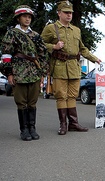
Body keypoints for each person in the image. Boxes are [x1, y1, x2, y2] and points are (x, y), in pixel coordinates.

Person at [41, 1, 101, 135]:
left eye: (71, 13)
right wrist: (53, 47)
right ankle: (63, 124)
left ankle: (73, 123)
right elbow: (39, 44)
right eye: (66, 12)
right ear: (59, 13)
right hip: (59, 66)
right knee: (61, 96)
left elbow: (83, 48)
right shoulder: (51, 28)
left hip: (74, 66)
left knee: (73, 95)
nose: (69, 15)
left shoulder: (76, 30)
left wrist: (94, 58)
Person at [0, 5, 49, 141]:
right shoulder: (12, 33)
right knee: (21, 103)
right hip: (18, 72)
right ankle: (24, 130)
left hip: (34, 72)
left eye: (29, 17)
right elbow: (6, 55)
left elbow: (43, 54)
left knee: (32, 102)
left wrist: (43, 74)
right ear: (18, 18)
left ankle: (32, 128)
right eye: (24, 16)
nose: (27, 19)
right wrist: (9, 73)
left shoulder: (36, 36)